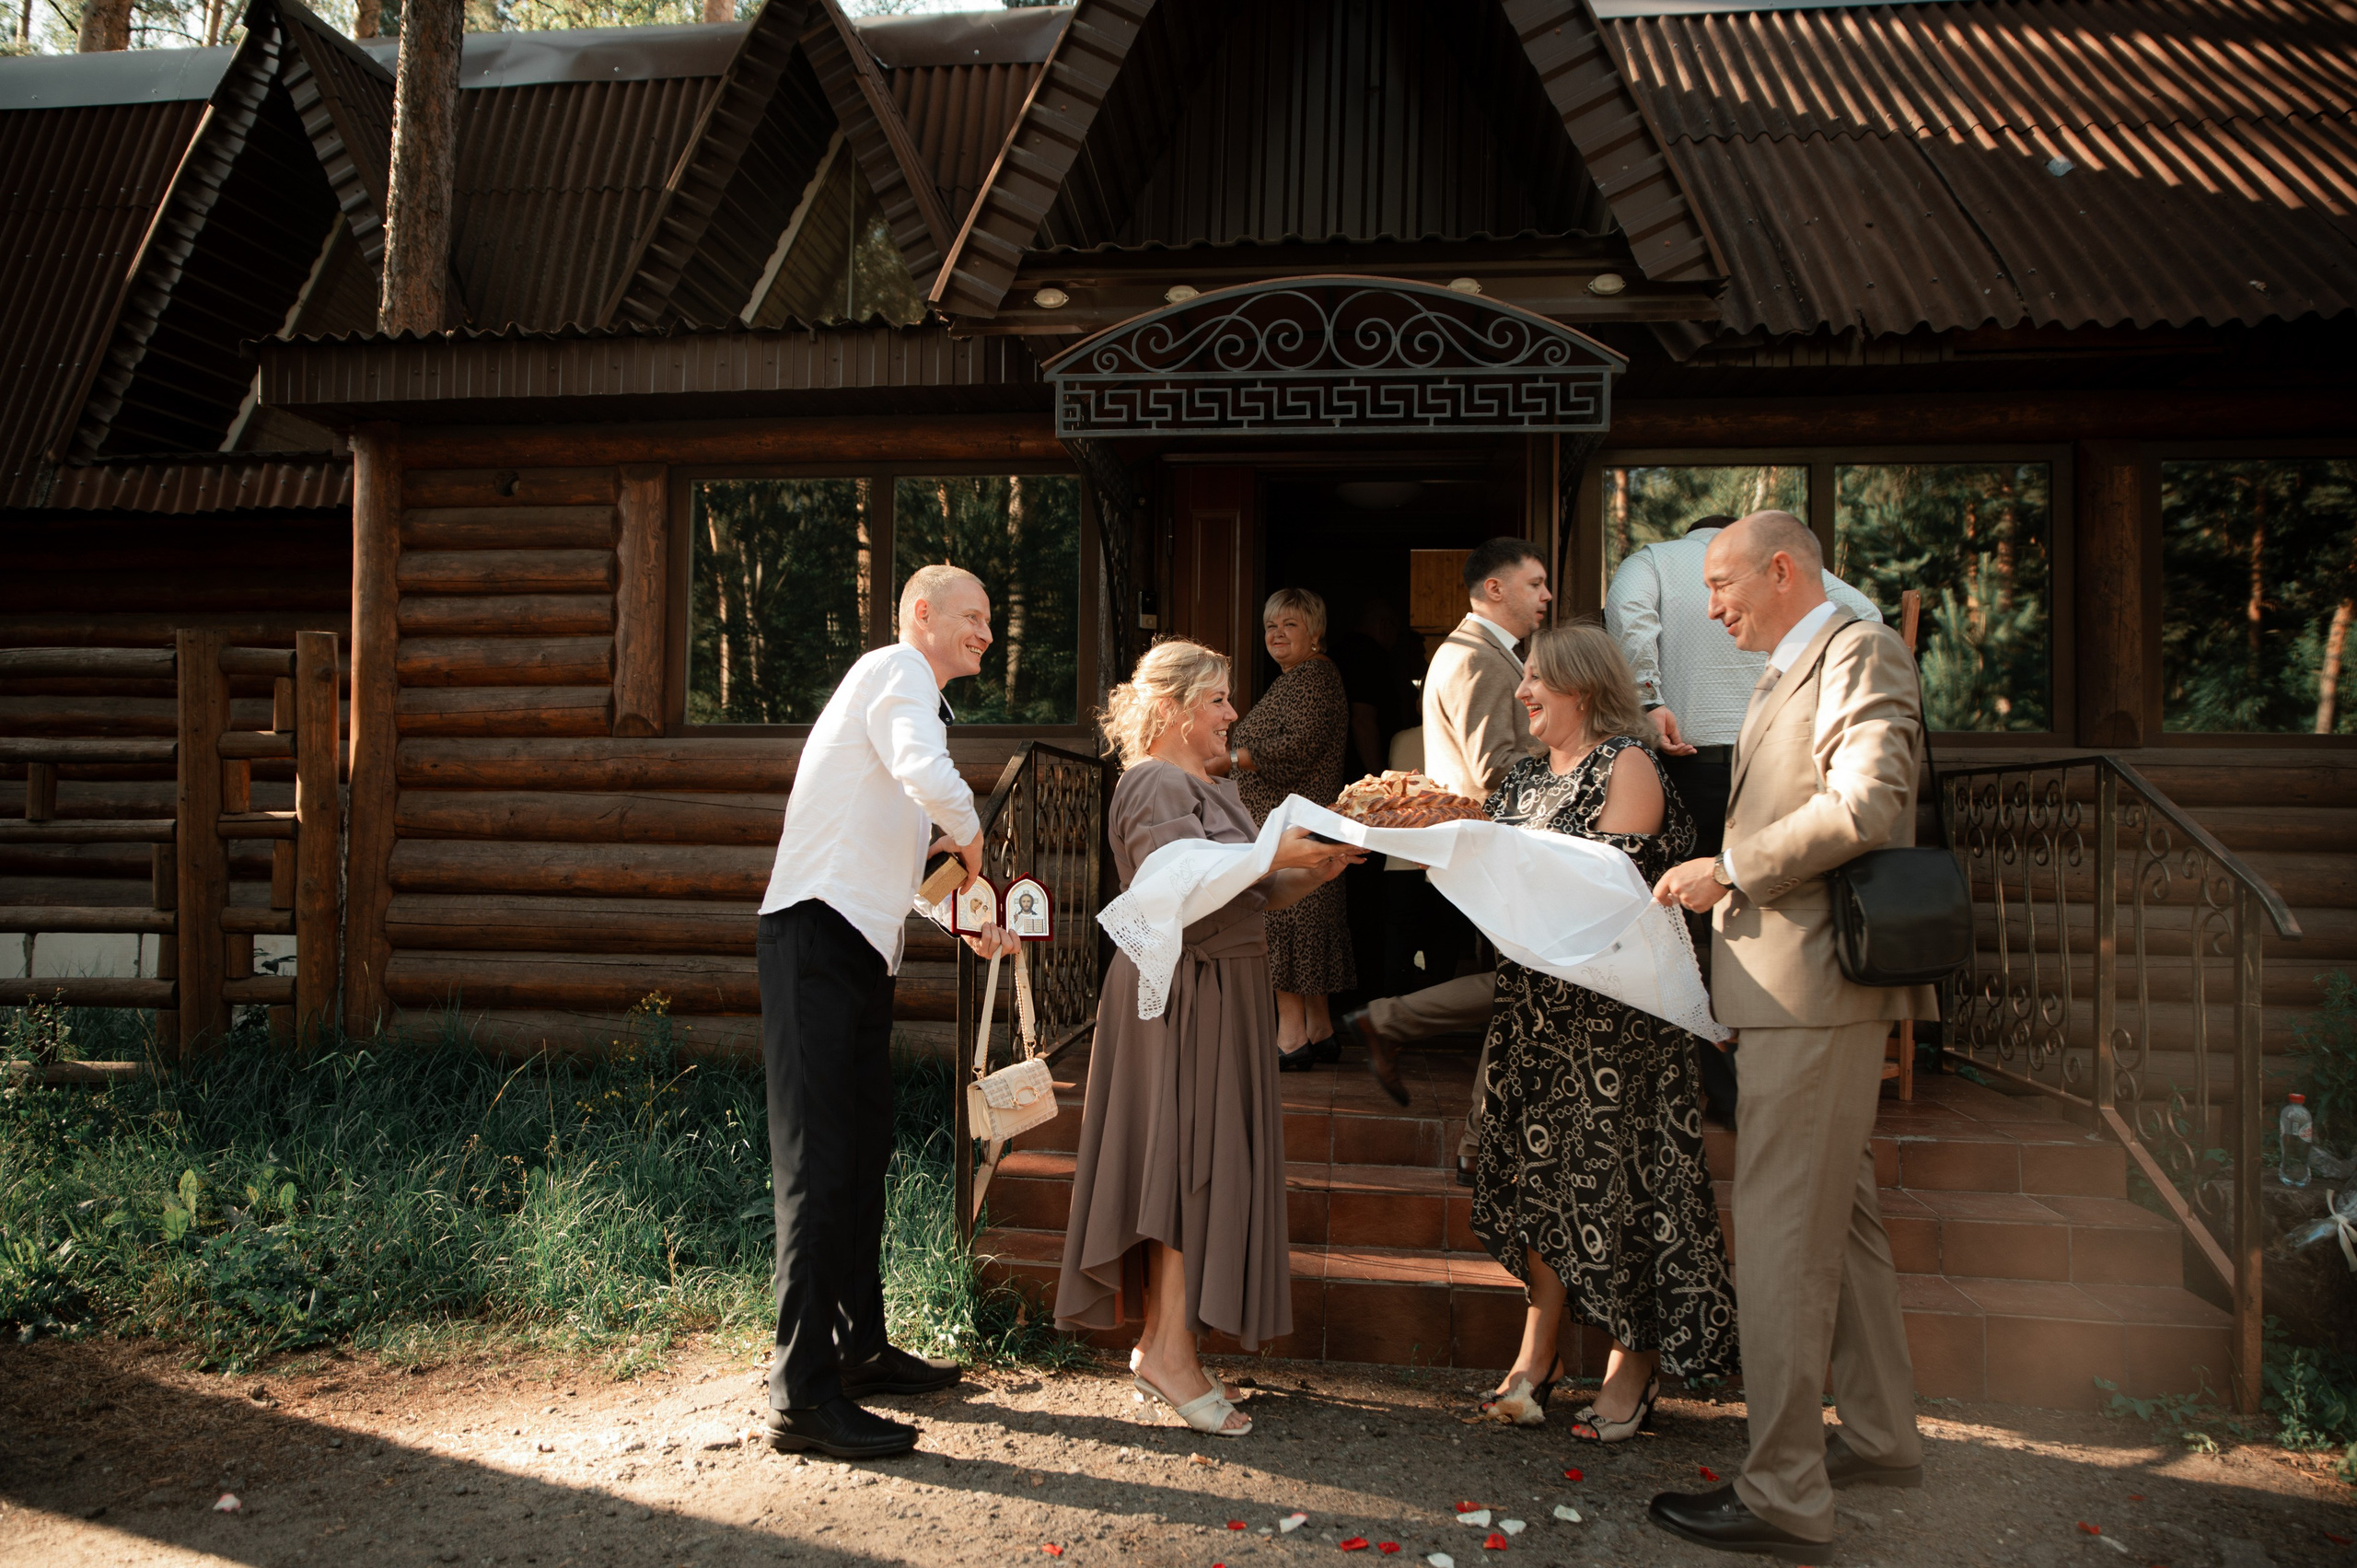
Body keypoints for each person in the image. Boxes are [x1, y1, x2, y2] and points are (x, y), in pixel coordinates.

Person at [1648, 511, 1933, 1556]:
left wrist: (1730, 869)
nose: (1708, 603)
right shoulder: (1785, 668)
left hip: (1812, 991)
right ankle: (1882, 1432)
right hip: (1785, 987)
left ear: (1783, 570)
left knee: (1776, 1235)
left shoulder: (1860, 654)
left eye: (1721, 583)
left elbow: (1867, 806)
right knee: (1842, 1226)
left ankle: (1782, 1492)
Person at [1055, 639, 1362, 1436]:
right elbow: (1175, 880)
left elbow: (1250, 888)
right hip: (1183, 992)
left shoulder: (1205, 785)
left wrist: (1317, 868)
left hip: (1225, 985)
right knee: (1192, 1165)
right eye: (1220, 699)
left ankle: (1168, 1340)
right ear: (1174, 710)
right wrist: (1272, 851)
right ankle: (1167, 1353)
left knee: (1203, 1163)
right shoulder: (1154, 781)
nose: (1234, 715)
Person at [756, 563, 1020, 1459]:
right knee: (817, 1165)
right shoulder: (893, 671)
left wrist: (972, 919)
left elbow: (911, 875)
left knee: (861, 1154)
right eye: (974, 614)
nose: (988, 629)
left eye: (992, 618)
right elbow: (928, 780)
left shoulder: (908, 703)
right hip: (813, 942)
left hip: (859, 951)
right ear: (922, 614)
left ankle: (857, 1347)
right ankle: (799, 1394)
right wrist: (975, 832)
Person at [1467, 624, 1736, 1440]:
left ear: (1583, 686)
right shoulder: (1517, 777)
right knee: (1542, 1184)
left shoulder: (1627, 762)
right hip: (1534, 1017)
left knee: (1623, 1188)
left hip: (1615, 1027)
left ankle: (1634, 1364)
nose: (1522, 692)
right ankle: (1537, 1354)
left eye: (1538, 678)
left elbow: (1609, 892)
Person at [1605, 512, 1882, 1126]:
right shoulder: (1796, 584)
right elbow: (1865, 611)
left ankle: (1723, 1079)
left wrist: (1649, 697)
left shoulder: (1650, 561)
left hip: (1688, 757)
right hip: (1781, 761)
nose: (1713, 606)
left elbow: (1628, 615)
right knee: (1754, 912)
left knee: (1677, 923)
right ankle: (1756, 1073)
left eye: (1719, 586)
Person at [1330, 538, 1550, 1184]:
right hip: (1500, 847)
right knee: (1531, 986)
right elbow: (1491, 772)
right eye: (1535, 583)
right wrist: (1575, 773)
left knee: (1526, 991)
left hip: (1494, 849)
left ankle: (1477, 1138)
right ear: (1494, 589)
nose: (1545, 596)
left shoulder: (1478, 654)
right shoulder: (1478, 659)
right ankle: (1396, 1026)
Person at [1227, 588, 1355, 1066]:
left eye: (1290, 625)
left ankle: (1290, 1039)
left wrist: (1231, 758)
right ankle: (1319, 1030)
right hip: (1298, 825)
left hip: (1294, 828)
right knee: (1304, 926)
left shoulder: (1314, 676)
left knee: (1284, 923)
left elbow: (1297, 746)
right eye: (1270, 627)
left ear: (1315, 633)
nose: (1277, 634)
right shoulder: (1298, 678)